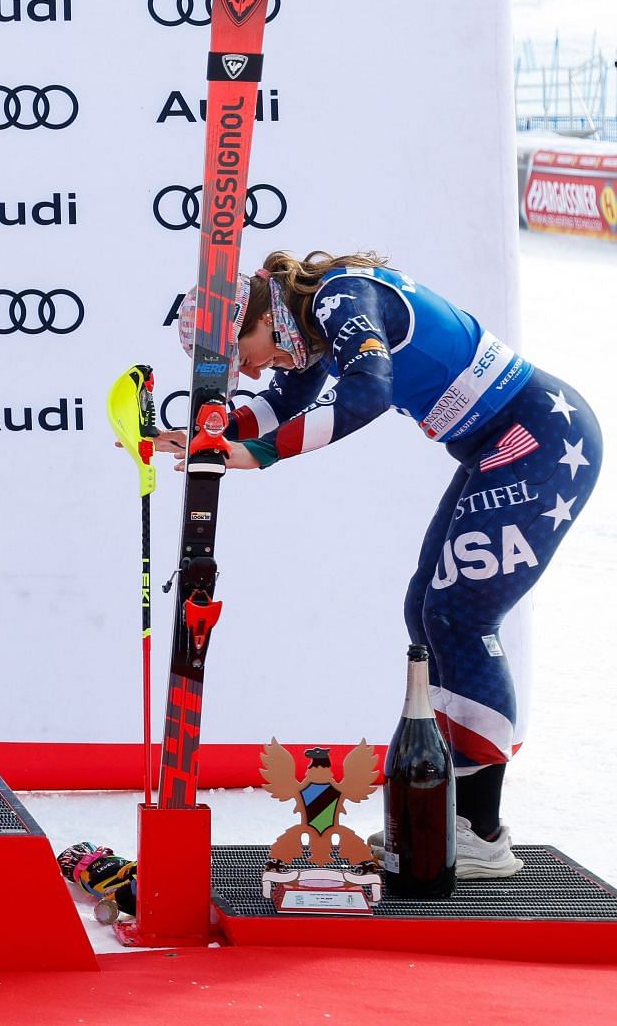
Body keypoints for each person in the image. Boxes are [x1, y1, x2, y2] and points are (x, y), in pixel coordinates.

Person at [159, 250, 601, 877]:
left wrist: (257, 453)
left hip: (541, 442)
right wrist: (205, 435)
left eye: (246, 354)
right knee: (427, 611)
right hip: (505, 445)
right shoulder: (306, 325)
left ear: (259, 315)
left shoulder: (341, 297)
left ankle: (480, 830)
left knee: (460, 617)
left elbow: (368, 394)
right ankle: (453, 811)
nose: (252, 372)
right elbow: (282, 403)